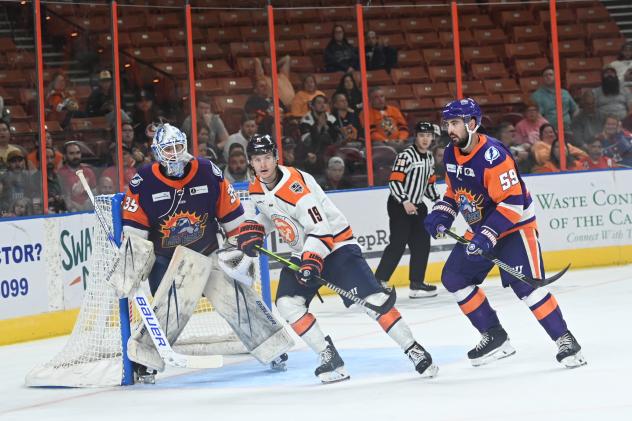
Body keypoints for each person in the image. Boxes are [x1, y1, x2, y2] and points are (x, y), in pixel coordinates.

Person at [238, 134, 438, 383]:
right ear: (251, 162)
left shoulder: (295, 186)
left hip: (337, 247)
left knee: (373, 302)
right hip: (304, 253)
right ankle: (328, 356)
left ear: (276, 157)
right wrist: (256, 227)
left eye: (267, 158)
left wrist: (311, 260)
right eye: (257, 160)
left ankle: (413, 349)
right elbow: (274, 214)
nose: (263, 164)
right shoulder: (255, 187)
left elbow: (321, 229)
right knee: (288, 303)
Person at [121, 124, 291, 383]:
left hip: (208, 251)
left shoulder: (207, 172)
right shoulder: (142, 182)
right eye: (168, 149)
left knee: (237, 295)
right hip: (168, 262)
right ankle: (145, 360)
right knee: (170, 310)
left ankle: (273, 346)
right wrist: (131, 268)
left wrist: (241, 250)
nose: (175, 154)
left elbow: (233, 221)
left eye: (178, 147)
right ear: (157, 152)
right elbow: (135, 235)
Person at [424, 98, 586, 369]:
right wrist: (442, 212)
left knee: (526, 286)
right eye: (447, 123)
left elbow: (513, 203)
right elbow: (454, 192)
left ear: (472, 124)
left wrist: (487, 234)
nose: (449, 129)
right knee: (454, 277)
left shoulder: (494, 155)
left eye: (454, 123)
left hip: (514, 227)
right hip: (482, 229)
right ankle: (495, 336)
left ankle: (566, 340)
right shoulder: (452, 153)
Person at [375, 122, 440, 298]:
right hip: (399, 205)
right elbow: (394, 182)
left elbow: (429, 184)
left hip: (418, 206)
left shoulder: (429, 158)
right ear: (416, 137)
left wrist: (437, 201)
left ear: (432, 137)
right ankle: (378, 282)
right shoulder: (406, 156)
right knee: (398, 243)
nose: (425, 139)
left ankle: (416, 284)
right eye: (421, 135)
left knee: (422, 244)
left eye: (428, 135)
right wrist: (405, 201)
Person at [530, 66, 578, 132]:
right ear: (542, 79)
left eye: (551, 74)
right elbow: (537, 116)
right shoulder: (536, 95)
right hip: (549, 131)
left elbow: (575, 109)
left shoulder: (565, 93)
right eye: (545, 75)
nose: (548, 77)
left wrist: (575, 123)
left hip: (569, 129)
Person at [57, 141, 97, 211]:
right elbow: (64, 196)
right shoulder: (61, 173)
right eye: (71, 153)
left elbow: (95, 193)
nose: (75, 156)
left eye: (78, 153)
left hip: (89, 209)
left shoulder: (88, 171)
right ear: (65, 156)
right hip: (70, 210)